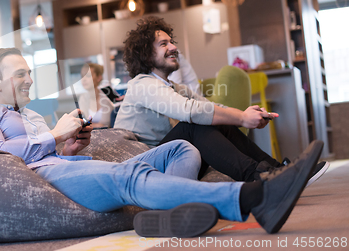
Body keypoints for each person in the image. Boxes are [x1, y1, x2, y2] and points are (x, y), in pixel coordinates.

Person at [0, 47, 323, 238]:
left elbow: (47, 147)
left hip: (70, 166)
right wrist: (55, 136)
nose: (29, 80)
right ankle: (255, 198)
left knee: (184, 148)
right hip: (47, 178)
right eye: (20, 74)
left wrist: (67, 144)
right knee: (128, 179)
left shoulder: (30, 116)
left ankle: (162, 219)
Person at [115, 16, 328, 184]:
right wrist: (242, 119)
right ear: (145, 55)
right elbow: (190, 111)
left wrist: (247, 114)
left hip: (167, 159)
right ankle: (259, 177)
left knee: (217, 121)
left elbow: (210, 107)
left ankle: (279, 171)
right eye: (163, 44)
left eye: (171, 42)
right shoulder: (141, 84)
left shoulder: (174, 88)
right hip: (140, 165)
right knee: (193, 125)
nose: (173, 47)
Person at [79, 63, 114, 128]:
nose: (84, 79)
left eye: (88, 75)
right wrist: (97, 125)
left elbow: (106, 125)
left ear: (99, 78)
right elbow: (84, 123)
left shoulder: (108, 94)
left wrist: (90, 124)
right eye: (82, 76)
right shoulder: (83, 98)